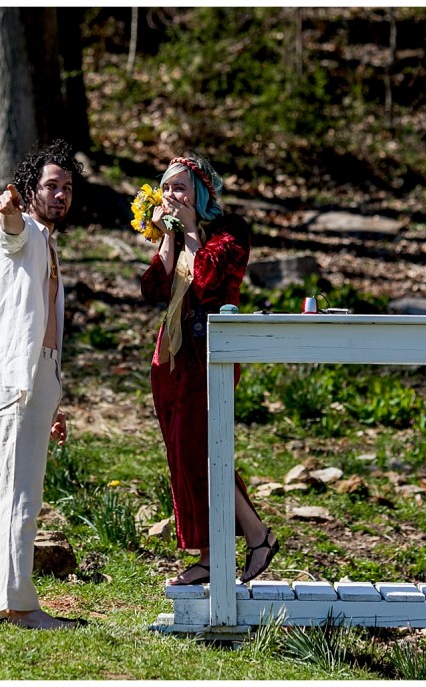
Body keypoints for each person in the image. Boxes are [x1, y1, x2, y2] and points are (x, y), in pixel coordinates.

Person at [140, 155, 278, 586]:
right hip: (172, 358)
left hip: (210, 353)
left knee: (206, 448)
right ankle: (209, 554)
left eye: (181, 188)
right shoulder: (174, 238)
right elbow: (152, 290)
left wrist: (192, 234)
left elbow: (209, 280)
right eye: (167, 188)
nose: (172, 196)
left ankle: (257, 536)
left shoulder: (231, 231)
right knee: (183, 453)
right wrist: (166, 241)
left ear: (200, 192)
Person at [0, 139, 84, 630]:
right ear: (31, 191)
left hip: (39, 376)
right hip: (20, 376)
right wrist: (8, 210)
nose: (60, 195)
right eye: (51, 186)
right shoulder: (22, 233)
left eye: (68, 188)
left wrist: (51, 400)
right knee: (21, 493)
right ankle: (21, 606)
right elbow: (10, 230)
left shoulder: (48, 241)